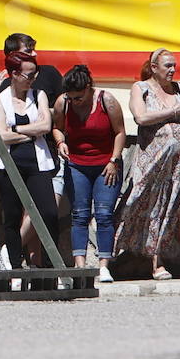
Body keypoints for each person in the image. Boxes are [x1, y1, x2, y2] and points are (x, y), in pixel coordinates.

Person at [116, 48, 180, 280]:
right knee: (157, 208)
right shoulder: (141, 88)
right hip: (155, 162)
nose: (173, 70)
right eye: (168, 66)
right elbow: (141, 117)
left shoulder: (179, 88)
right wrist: (173, 111)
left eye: (174, 65)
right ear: (154, 67)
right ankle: (156, 262)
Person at [51, 64, 126, 283]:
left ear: (89, 88)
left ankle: (104, 265)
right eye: (71, 98)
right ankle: (80, 266)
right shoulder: (63, 103)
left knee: (103, 214)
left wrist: (114, 160)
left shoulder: (107, 100)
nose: (75, 102)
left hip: (106, 164)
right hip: (77, 165)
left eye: (79, 98)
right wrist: (60, 141)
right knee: (79, 214)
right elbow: (57, 127)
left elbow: (120, 132)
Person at [0, 51, 59, 268]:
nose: (32, 79)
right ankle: (15, 264)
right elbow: (0, 136)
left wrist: (17, 129)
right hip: (9, 164)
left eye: (34, 74)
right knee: (11, 216)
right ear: (13, 74)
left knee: (48, 212)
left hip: (37, 162)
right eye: (27, 75)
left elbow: (46, 126)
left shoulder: (39, 95)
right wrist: (32, 131)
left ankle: (50, 265)